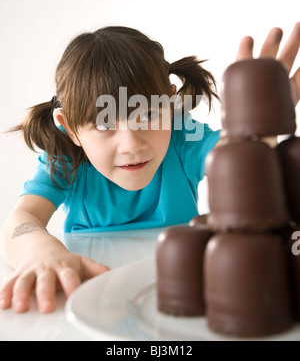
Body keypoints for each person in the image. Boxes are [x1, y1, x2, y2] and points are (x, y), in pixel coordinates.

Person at [0, 24, 299, 314]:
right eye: (105, 124)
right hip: (95, 297)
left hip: (181, 292)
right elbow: (21, 219)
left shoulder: (182, 138)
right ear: (71, 129)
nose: (131, 145)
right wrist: (40, 251)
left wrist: (259, 124)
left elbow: (240, 158)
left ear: (170, 104)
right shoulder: (67, 159)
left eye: (148, 115)